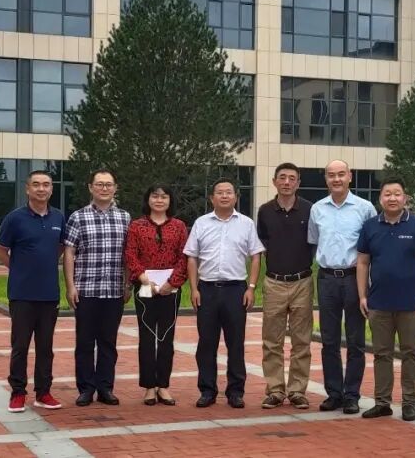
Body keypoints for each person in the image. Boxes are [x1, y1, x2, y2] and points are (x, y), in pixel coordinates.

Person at [357, 177, 415, 422]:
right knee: (382, 354)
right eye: (387, 194)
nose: (392, 198)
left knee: (411, 353)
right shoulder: (370, 226)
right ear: (380, 198)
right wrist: (362, 295)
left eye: (397, 194)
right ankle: (382, 402)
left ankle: (409, 402)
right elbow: (362, 262)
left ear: (405, 198)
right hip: (379, 303)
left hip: (410, 304)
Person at [185, 178, 264, 409]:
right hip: (207, 290)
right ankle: (207, 390)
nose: (224, 196)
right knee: (206, 344)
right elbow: (192, 257)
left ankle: (236, 391)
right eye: (219, 192)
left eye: (229, 192)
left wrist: (251, 287)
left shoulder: (246, 223)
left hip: (235, 290)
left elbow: (256, 256)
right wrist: (194, 288)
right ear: (212, 198)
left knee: (236, 343)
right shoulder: (201, 223)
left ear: (236, 197)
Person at [308, 159, 374, 414]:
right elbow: (314, 240)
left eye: (341, 174)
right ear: (326, 179)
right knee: (329, 339)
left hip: (354, 278)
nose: (336, 179)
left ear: (350, 176)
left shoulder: (364, 208)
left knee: (356, 340)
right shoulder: (317, 209)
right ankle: (334, 393)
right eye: (331, 175)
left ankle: (352, 395)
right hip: (326, 279)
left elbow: (372, 247)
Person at [0, 170, 66, 413]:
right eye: (36, 184)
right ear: (27, 189)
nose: (41, 189)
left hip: (49, 294)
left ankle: (43, 392)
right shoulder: (15, 218)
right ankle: (17, 393)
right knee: (20, 346)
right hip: (22, 294)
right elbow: (1, 251)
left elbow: (60, 248)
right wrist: (19, 269)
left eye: (46, 184)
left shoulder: (59, 217)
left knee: (46, 348)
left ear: (51, 189)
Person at [63, 169, 131, 407]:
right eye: (99, 184)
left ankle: (105, 388)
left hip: (114, 290)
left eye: (108, 184)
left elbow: (128, 254)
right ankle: (85, 388)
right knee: (84, 343)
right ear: (91, 187)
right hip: (86, 290)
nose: (104, 188)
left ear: (115, 188)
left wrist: (127, 283)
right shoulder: (78, 217)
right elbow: (69, 252)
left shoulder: (125, 218)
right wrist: (70, 286)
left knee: (108, 343)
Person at [124, 184, 189, 406]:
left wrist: (172, 283)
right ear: (148, 199)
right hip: (145, 286)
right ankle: (149, 387)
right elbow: (130, 254)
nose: (159, 200)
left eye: (164, 197)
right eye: (155, 196)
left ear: (170, 200)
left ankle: (163, 385)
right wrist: (143, 279)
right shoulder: (137, 226)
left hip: (171, 288)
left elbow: (184, 257)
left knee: (166, 338)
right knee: (147, 336)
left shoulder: (179, 226)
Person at [256, 163, 314, 410]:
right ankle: (275, 390)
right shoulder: (265, 211)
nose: (287, 182)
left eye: (292, 178)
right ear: (274, 182)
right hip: (274, 282)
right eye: (282, 178)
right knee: (272, 341)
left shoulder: (310, 210)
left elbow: (315, 242)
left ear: (298, 183)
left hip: (302, 281)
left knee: (302, 340)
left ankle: (298, 390)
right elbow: (262, 245)